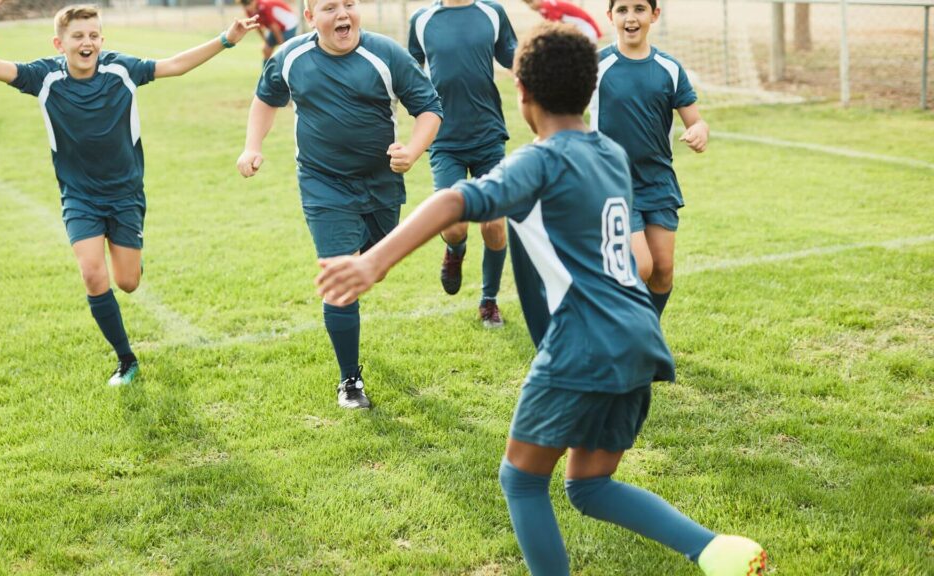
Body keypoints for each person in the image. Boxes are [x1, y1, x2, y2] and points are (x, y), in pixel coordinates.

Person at [315, 22, 765, 576]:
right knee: (589, 486)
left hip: (582, 342)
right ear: (590, 89)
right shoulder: (609, 153)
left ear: (522, 95)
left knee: (521, 480)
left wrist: (372, 260)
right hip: (639, 336)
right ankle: (715, 549)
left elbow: (455, 199)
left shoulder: (540, 160)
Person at [0, 1, 259, 386]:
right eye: (77, 36)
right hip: (80, 197)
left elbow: (174, 64)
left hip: (125, 194)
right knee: (92, 273)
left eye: (93, 35)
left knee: (127, 282)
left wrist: (226, 39)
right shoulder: (43, 78)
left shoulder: (120, 69)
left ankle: (131, 259)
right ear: (60, 43)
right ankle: (126, 360)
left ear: (102, 40)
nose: (86, 42)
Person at [236, 0, 442, 409]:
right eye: (330, 7)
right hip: (323, 183)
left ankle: (361, 270)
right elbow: (265, 99)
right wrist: (251, 147)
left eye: (349, 4)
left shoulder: (386, 55)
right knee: (342, 276)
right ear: (310, 18)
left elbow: (430, 109)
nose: (343, 14)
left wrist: (414, 151)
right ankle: (350, 381)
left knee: (372, 272)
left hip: (382, 184)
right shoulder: (291, 57)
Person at [590, 0, 708, 318]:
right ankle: (623, 336)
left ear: (654, 15)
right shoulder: (595, 66)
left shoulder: (670, 68)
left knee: (663, 270)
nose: (631, 17)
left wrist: (700, 130)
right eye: (623, 9)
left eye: (639, 9)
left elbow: (694, 120)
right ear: (610, 16)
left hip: (658, 181)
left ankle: (646, 336)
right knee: (640, 265)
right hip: (612, 181)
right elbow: (566, 112)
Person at [408, 0, 516, 328]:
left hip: (488, 137)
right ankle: (455, 251)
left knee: (494, 225)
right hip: (444, 140)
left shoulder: (492, 13)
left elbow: (514, 57)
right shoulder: (422, 20)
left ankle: (489, 301)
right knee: (453, 224)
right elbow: (408, 75)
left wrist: (539, 65)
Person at [522, 0, 601, 43]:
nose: (530, 6)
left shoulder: (548, 6)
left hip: (587, 29)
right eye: (527, 4)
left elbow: (555, 27)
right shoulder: (544, 8)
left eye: (531, 2)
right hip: (580, 30)